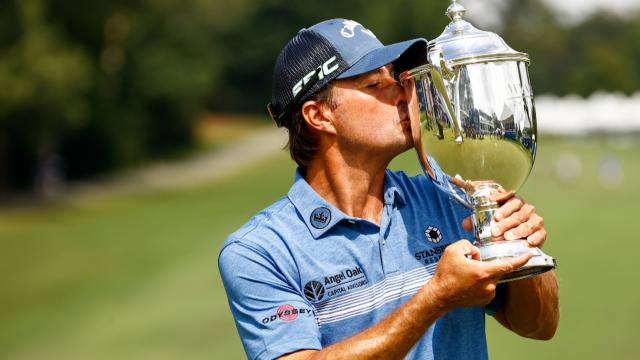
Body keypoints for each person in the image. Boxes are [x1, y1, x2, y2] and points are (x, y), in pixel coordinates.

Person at [218, 18, 559, 360]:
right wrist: (436, 298)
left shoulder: (452, 196)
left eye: (394, 78)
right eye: (374, 84)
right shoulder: (259, 251)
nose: (401, 93)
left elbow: (541, 326)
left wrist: (517, 251)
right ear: (318, 115)